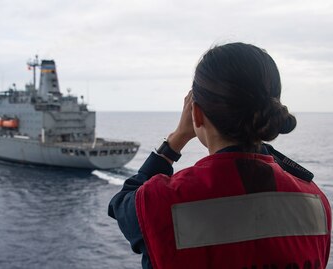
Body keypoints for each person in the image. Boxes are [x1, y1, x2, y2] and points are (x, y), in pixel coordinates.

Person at [108, 42, 331, 269]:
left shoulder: (163, 199)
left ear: (195, 113)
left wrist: (175, 141)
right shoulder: (316, 201)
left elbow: (121, 204)